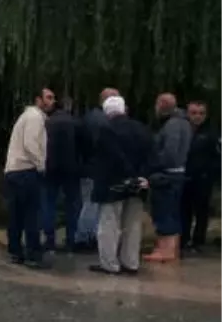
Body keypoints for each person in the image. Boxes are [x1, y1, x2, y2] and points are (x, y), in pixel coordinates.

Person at [90, 95, 153, 275]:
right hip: (138, 184)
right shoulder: (143, 129)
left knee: (109, 224)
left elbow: (108, 158)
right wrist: (141, 177)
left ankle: (109, 264)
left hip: (113, 184)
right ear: (124, 109)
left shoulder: (106, 130)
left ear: (106, 113)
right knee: (133, 224)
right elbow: (151, 155)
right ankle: (131, 262)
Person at [4, 87, 55, 267]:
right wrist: (41, 165)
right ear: (38, 99)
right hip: (26, 170)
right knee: (31, 214)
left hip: (13, 170)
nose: (52, 101)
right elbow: (31, 144)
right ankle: (33, 253)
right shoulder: (35, 117)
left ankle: (15, 251)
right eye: (48, 97)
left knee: (16, 214)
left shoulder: (26, 116)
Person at [145, 93, 192, 263]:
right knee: (172, 211)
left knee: (165, 212)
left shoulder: (172, 125)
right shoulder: (184, 123)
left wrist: (156, 163)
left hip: (168, 173)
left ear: (162, 105)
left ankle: (166, 251)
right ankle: (170, 248)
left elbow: (170, 152)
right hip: (178, 172)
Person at [74, 88, 119, 250]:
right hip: (94, 168)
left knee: (90, 203)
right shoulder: (102, 121)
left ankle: (88, 235)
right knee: (91, 204)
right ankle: (83, 237)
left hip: (87, 167)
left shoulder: (91, 117)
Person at [42, 98, 88, 252]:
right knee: (72, 205)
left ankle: (49, 239)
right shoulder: (77, 123)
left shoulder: (47, 123)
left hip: (51, 168)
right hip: (72, 169)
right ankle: (70, 240)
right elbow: (83, 147)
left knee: (49, 203)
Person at [180, 100, 220, 253]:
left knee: (201, 210)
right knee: (184, 209)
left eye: (201, 113)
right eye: (194, 113)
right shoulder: (182, 129)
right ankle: (183, 239)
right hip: (185, 176)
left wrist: (209, 173)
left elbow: (216, 157)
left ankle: (198, 240)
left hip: (203, 178)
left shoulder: (211, 133)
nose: (197, 117)